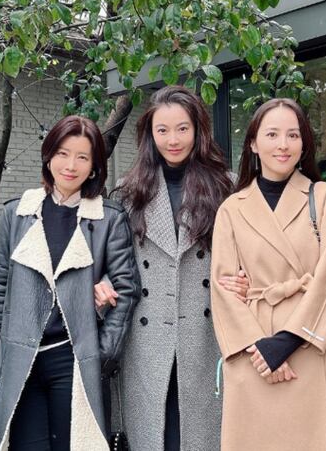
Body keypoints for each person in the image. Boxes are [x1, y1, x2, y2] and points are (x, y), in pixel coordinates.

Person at [210, 98, 326, 451]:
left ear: (304, 143)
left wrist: (287, 341)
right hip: (256, 349)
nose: (283, 144)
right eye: (272, 134)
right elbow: (223, 287)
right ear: (253, 143)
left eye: (293, 135)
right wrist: (260, 348)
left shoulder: (325, 197)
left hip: (320, 338)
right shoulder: (232, 208)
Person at [0, 115, 141, 451]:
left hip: (73, 358)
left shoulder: (108, 219)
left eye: (82, 157)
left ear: (94, 167)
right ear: (48, 155)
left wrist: (103, 352)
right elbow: (0, 286)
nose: (71, 165)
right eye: (63, 153)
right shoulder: (17, 213)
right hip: (20, 357)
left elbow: (126, 290)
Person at [96, 85, 245, 451]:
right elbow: (115, 259)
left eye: (182, 129)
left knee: (200, 435)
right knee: (154, 434)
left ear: (198, 130)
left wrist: (245, 279)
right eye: (162, 130)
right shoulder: (128, 191)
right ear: (150, 134)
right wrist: (102, 284)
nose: (173, 140)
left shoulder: (226, 187)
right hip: (146, 339)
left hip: (206, 335)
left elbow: (245, 254)